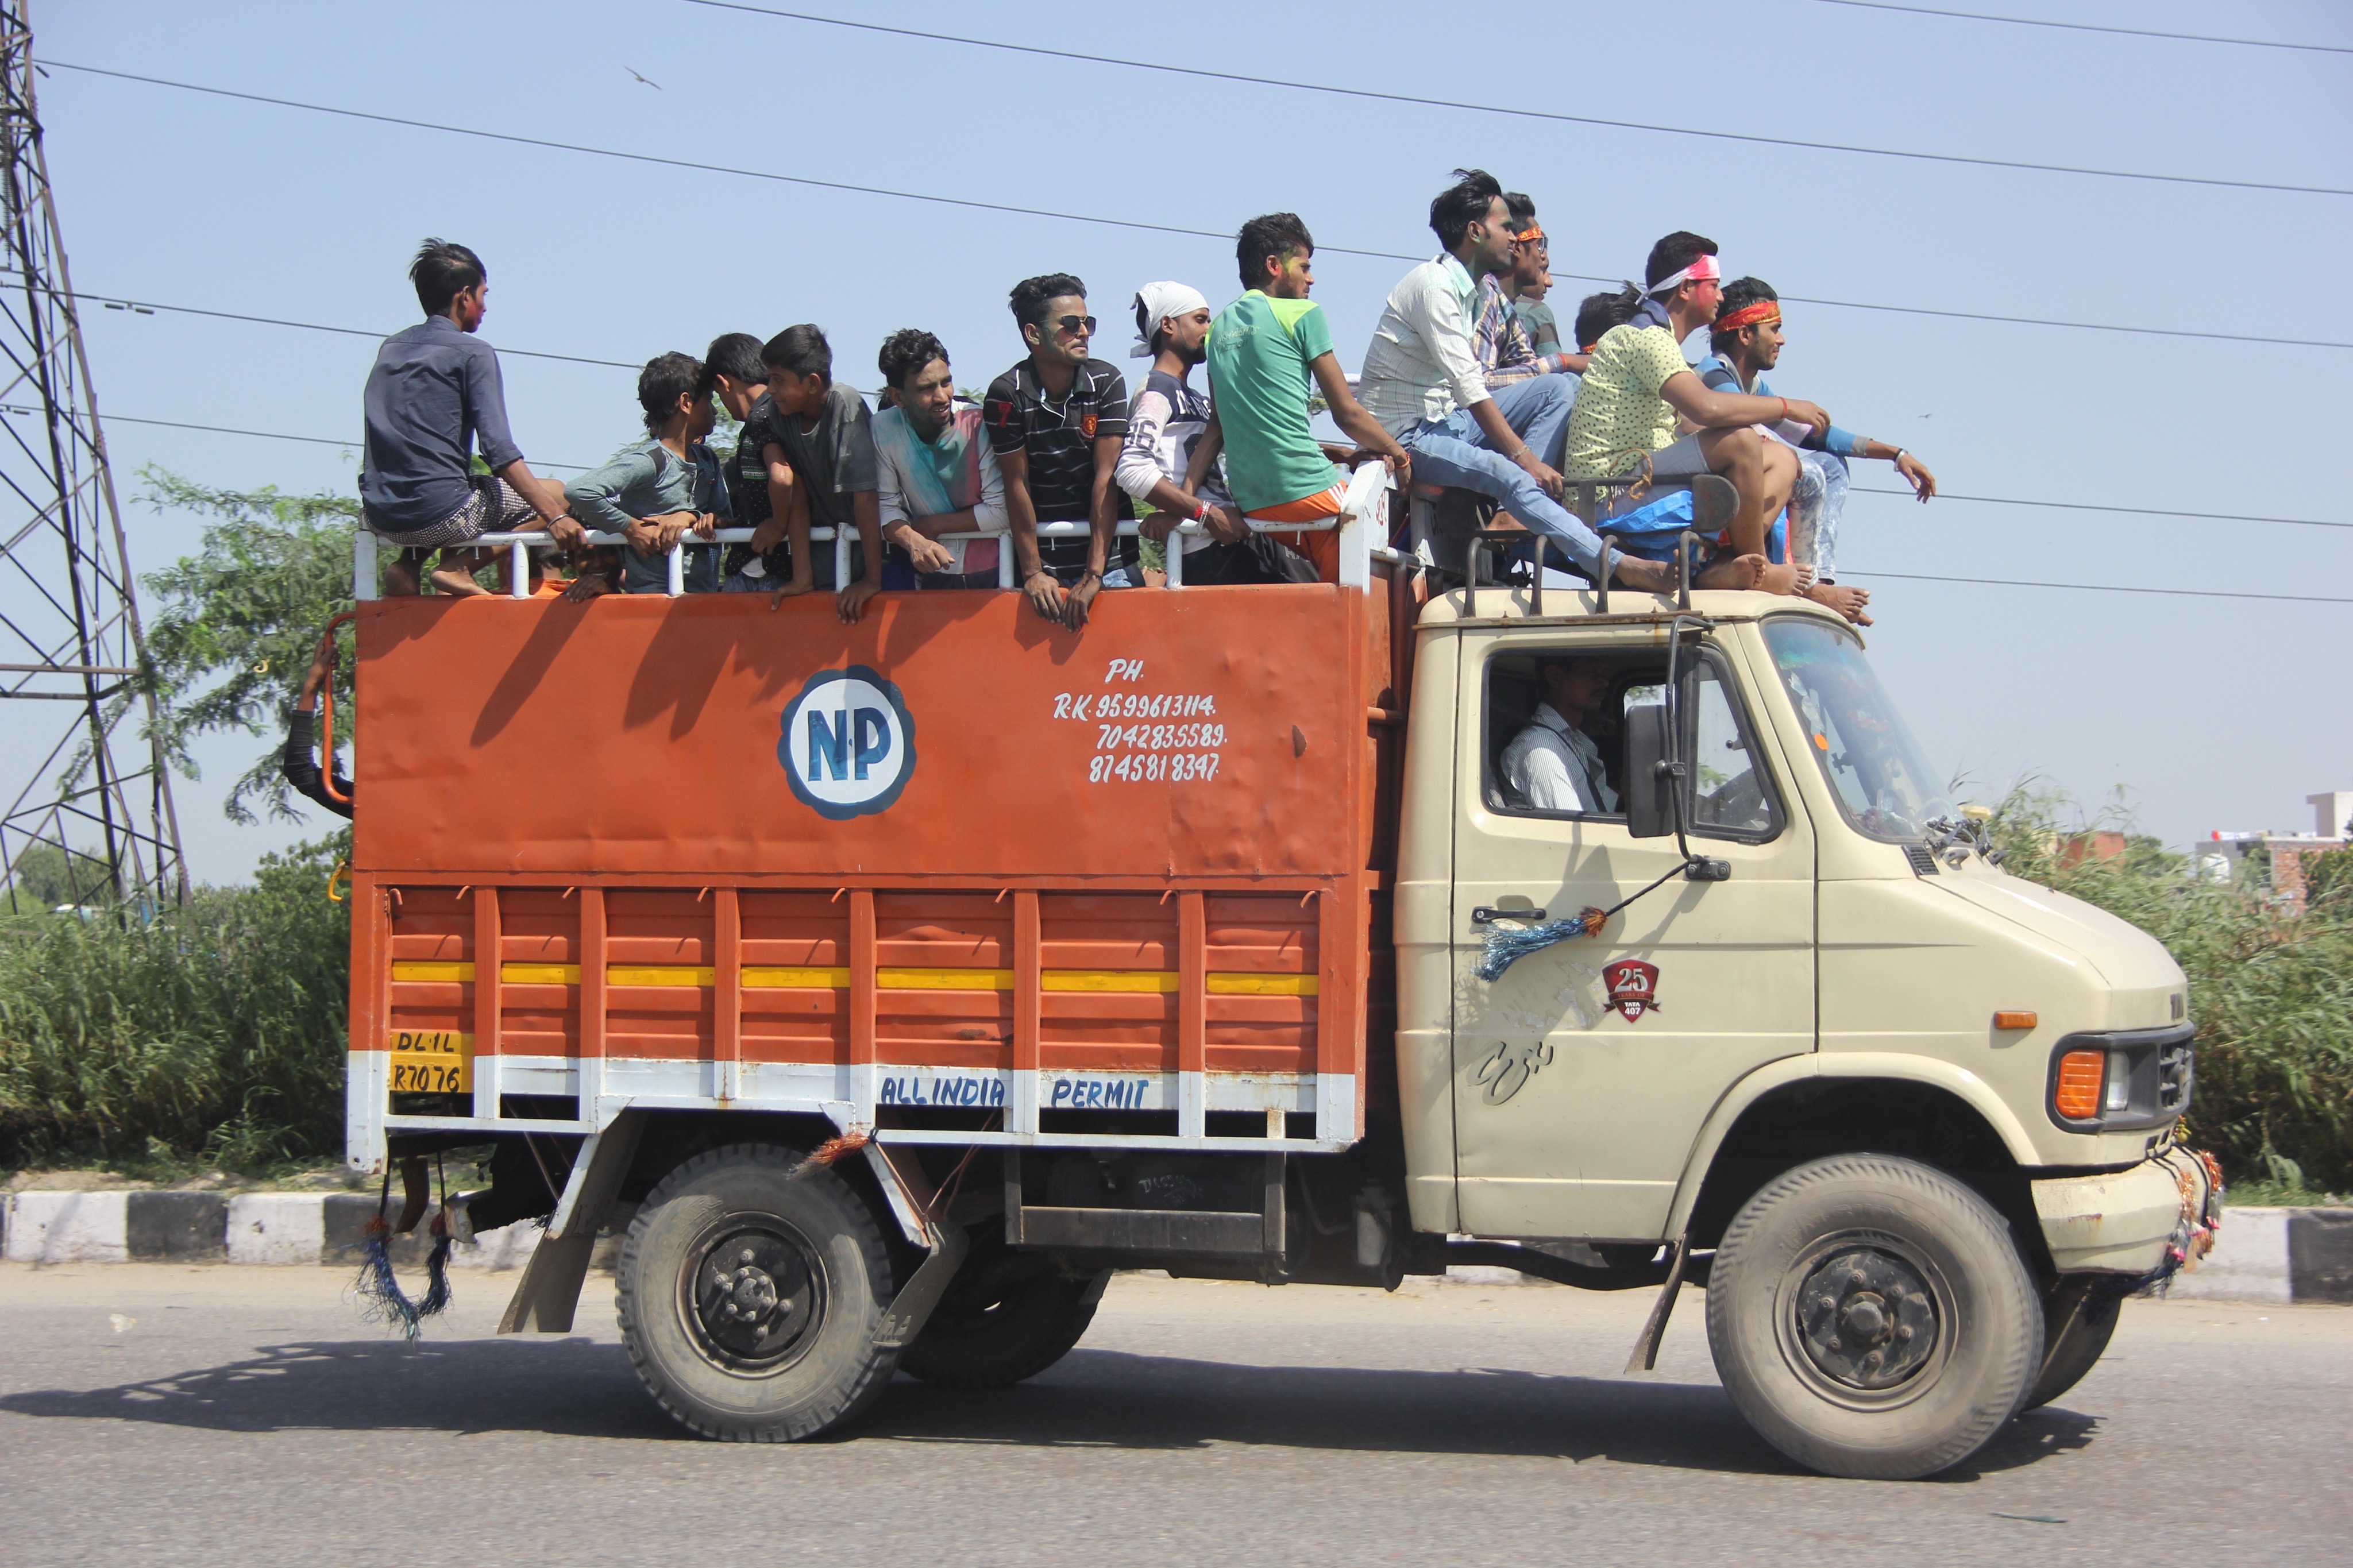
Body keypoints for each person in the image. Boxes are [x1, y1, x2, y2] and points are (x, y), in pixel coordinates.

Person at [1357, 171, 1679, 596]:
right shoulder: (1434, 289)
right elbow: (1471, 386)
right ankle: (1618, 565)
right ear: (1475, 231)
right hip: (1411, 436)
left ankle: (1518, 511)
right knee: (1511, 475)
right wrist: (1524, 458)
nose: (1515, 238)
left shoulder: (1474, 292)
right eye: (1506, 227)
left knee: (1560, 387)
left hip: (1447, 420)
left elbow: (1503, 379)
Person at [1560, 231, 1833, 595]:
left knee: (1782, 458)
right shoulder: (1647, 338)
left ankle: (1726, 567)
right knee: (1740, 442)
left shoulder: (1660, 340)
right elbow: (1707, 408)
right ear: (1687, 288)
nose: (1721, 295)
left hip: (1640, 475)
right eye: (1714, 285)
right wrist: (1787, 406)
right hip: (1608, 494)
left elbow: (1690, 422)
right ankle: (1757, 571)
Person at [1697, 278, 1937, 625]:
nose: (1781, 340)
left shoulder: (1753, 387)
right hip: (1715, 495)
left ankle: (1819, 580)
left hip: (1743, 489)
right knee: (1802, 469)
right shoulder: (1712, 375)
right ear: (1746, 335)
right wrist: (1785, 407)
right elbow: (1729, 412)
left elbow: (1818, 436)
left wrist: (1896, 455)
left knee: (1831, 465)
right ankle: (1804, 588)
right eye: (1774, 329)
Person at [1190, 214, 1411, 584]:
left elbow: (1218, 426)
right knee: (1391, 542)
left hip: (1252, 500)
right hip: (1307, 488)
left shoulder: (1219, 328)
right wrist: (1401, 458)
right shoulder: (1303, 314)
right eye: (1305, 267)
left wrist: (1186, 504)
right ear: (1275, 266)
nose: (1311, 278)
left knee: (1328, 581)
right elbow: (1348, 414)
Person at [359, 240, 581, 596]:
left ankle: (407, 564)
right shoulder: (474, 353)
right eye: (483, 294)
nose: (485, 306)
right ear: (464, 296)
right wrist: (556, 514)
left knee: (448, 483)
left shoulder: (392, 347)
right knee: (563, 492)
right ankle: (459, 568)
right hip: (443, 514)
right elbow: (499, 452)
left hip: (381, 515)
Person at [983, 275, 1135, 629]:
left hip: (1110, 564)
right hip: (1045, 571)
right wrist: (1033, 572)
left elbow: (1106, 478)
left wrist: (1094, 573)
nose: (1082, 331)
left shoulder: (1107, 380)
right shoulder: (1006, 393)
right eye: (1070, 324)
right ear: (1033, 334)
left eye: (1087, 323)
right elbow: (1016, 484)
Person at [746, 325, 886, 624]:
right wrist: (802, 577)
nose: (769, 389)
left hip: (874, 558)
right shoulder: (780, 413)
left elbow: (865, 496)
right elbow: (798, 491)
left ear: (812, 383)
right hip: (829, 561)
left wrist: (873, 580)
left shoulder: (844, 404)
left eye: (778, 380)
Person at [562, 353, 728, 597]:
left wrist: (690, 516)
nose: (714, 410)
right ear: (686, 403)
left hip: (704, 595)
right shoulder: (651, 461)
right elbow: (579, 491)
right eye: (708, 400)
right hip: (653, 598)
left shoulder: (708, 459)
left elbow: (726, 517)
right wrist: (632, 529)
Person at [870, 328, 1007, 590]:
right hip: (932, 576)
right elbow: (887, 507)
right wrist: (913, 541)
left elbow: (1001, 512)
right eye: (926, 388)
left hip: (997, 574)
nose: (942, 396)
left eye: (946, 382)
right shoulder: (882, 428)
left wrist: (930, 526)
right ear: (897, 396)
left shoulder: (978, 423)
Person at [702, 331, 797, 595]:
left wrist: (778, 525)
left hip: (769, 572)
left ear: (724, 383)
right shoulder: (781, 411)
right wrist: (735, 523)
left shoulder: (761, 416)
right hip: (780, 566)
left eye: (717, 394)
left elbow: (781, 477)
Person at [1474, 193, 1583, 391]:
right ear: (1516, 247)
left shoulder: (1507, 309)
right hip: (1459, 418)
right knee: (1558, 387)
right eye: (1539, 243)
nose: (1542, 255)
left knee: (1569, 382)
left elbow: (1527, 364)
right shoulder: (1486, 295)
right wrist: (1562, 361)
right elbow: (1478, 384)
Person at [1501, 657, 1618, 813]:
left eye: (1604, 673)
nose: (1605, 682)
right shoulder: (1542, 750)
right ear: (1556, 677)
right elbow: (1568, 832)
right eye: (1591, 672)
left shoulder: (1570, 739)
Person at [283, 634, 352, 819]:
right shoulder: (385, 802)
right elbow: (301, 772)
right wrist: (312, 686)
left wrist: (312, 687)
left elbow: (300, 772)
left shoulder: (385, 806)